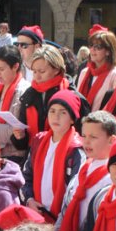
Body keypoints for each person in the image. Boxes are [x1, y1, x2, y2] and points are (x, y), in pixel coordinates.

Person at [55, 110, 116, 231]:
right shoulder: (85, 166)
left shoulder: (113, 177)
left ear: (112, 140)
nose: (86, 142)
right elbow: (67, 206)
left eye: (93, 137)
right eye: (84, 136)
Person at [22, 90, 85, 222]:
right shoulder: (39, 141)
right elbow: (26, 177)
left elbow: (74, 193)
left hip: (60, 220)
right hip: (36, 215)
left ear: (73, 118)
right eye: (52, 111)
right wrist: (29, 200)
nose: (56, 117)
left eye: (63, 112)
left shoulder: (76, 150)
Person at [15, 45, 87, 149]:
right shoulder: (29, 94)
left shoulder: (73, 97)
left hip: (65, 154)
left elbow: (82, 134)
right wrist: (20, 136)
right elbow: (24, 142)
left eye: (42, 71)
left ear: (57, 69)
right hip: (35, 155)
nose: (37, 76)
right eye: (34, 71)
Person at [77, 25, 116, 112]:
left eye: (98, 47)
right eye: (91, 45)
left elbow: (115, 104)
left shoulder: (115, 74)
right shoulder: (84, 72)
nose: (92, 49)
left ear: (108, 51)